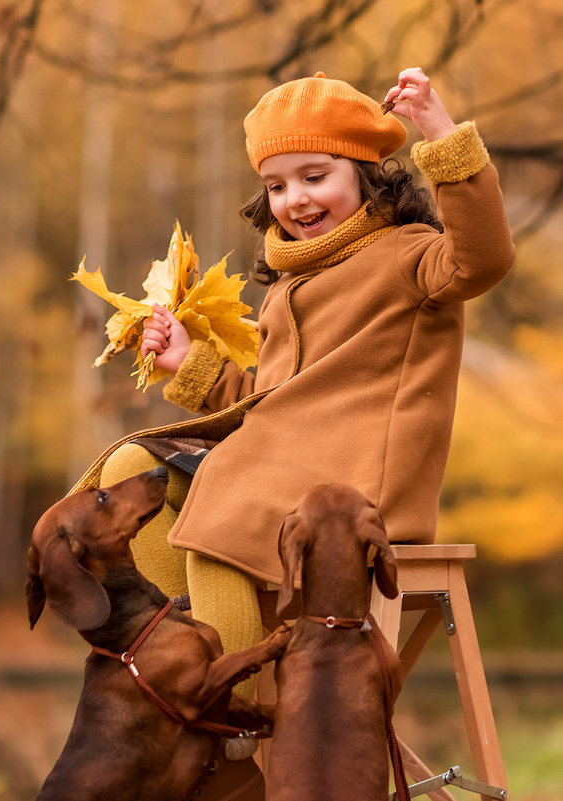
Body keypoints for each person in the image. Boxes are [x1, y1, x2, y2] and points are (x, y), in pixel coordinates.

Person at [85, 67, 515, 798]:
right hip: (279, 469)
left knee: (224, 509)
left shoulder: (413, 257)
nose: (296, 200)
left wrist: (442, 137)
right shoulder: (287, 289)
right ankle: (189, 673)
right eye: (278, 186)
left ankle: (239, 738)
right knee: (131, 469)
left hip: (353, 489)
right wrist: (191, 364)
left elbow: (485, 258)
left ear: (368, 176)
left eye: (314, 175)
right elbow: (271, 404)